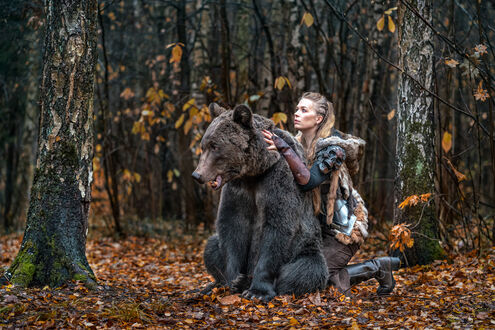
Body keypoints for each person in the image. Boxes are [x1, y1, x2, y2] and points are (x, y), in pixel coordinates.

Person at [262, 92, 400, 296]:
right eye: (297, 109)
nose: (296, 113)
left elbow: (309, 182)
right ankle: (375, 268)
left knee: (311, 277)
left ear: (318, 119)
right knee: (289, 275)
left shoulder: (334, 149)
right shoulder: (296, 145)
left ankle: (378, 267)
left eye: (304, 110)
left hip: (342, 230)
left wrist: (285, 148)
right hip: (312, 228)